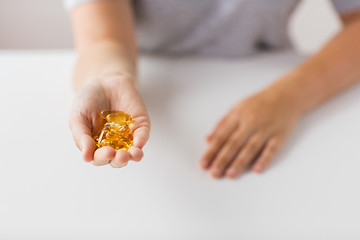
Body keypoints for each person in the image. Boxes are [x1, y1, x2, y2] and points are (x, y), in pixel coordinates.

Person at [66, 0, 360, 178]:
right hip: (150, 82)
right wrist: (109, 77)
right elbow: (104, 38)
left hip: (265, 74)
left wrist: (289, 97)